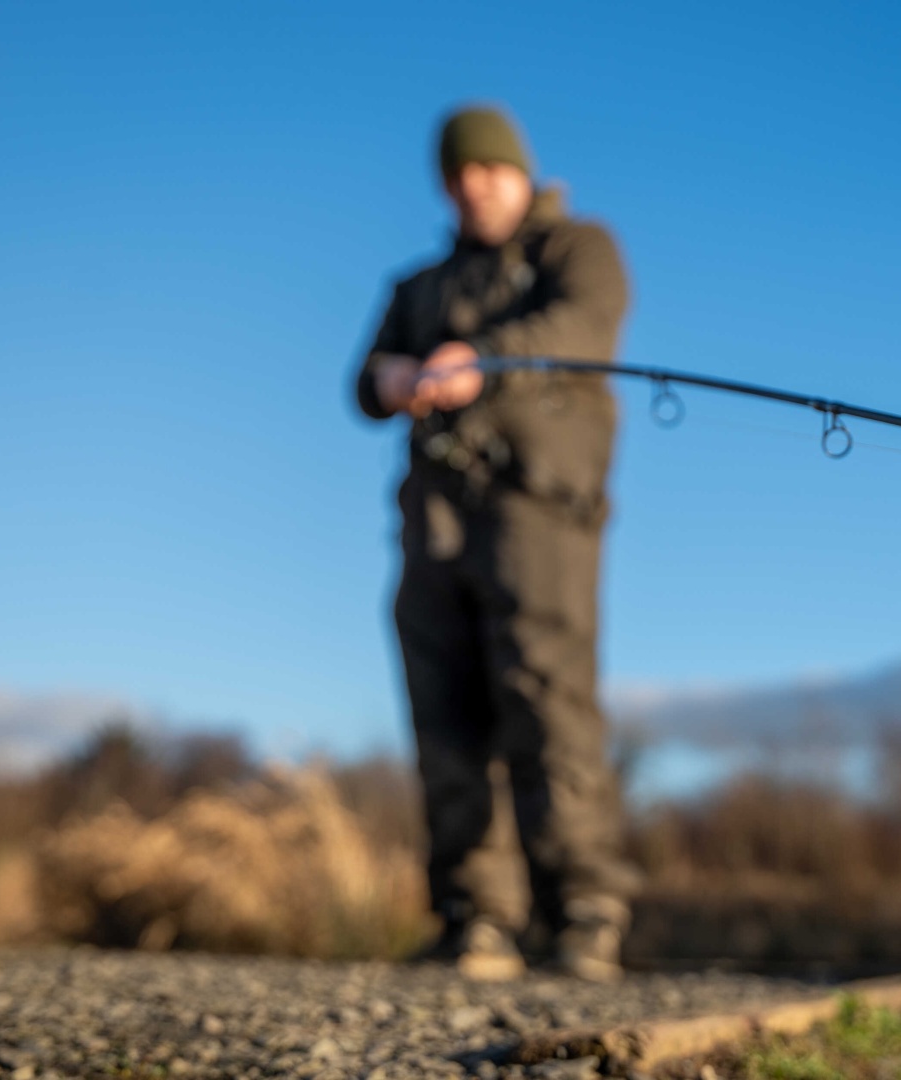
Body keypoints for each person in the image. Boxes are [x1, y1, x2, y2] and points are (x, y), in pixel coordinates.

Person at [354, 105, 637, 982]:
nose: (472, 187)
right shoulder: (417, 287)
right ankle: (474, 920)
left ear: (519, 172)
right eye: (457, 176)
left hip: (540, 511)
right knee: (444, 712)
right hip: (434, 519)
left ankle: (582, 914)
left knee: (547, 702)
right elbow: (362, 382)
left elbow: (585, 328)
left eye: (488, 171)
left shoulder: (577, 250)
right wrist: (389, 376)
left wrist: (480, 356)